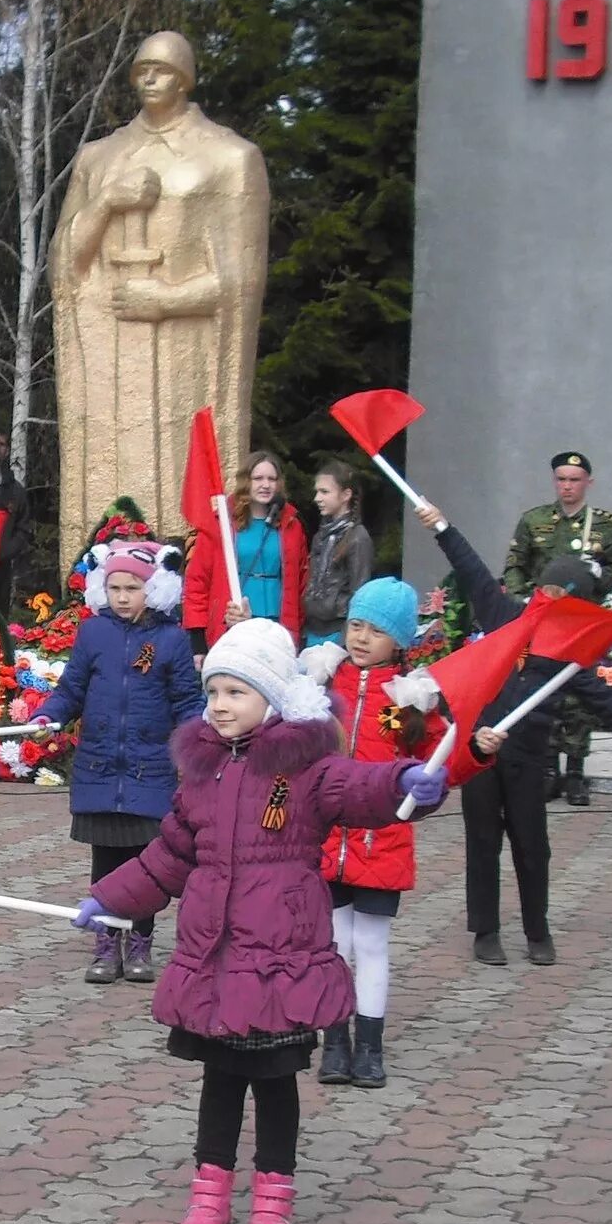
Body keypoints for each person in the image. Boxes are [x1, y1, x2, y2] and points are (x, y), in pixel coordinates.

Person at [74, 618, 450, 1224]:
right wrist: (108, 899)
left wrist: (405, 782)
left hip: (281, 960)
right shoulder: (200, 776)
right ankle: (210, 1192)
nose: (219, 705)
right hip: (216, 961)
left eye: (236, 692)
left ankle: (274, 1197)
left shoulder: (307, 767)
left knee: (276, 1084)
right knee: (219, 1081)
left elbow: (360, 787)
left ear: (273, 698)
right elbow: (168, 856)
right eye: (213, 691)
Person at [417, 502, 612, 966]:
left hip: (529, 757)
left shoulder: (569, 657)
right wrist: (441, 527)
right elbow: (471, 568)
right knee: (482, 839)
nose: (550, 598)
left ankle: (537, 929)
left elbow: (607, 702)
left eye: (564, 595)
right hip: (480, 750)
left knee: (532, 845)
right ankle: (486, 930)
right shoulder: (505, 614)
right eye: (547, 588)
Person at [305, 578, 456, 1090]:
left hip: (381, 842)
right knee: (331, 942)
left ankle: (369, 1044)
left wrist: (457, 758)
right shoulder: (322, 682)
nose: (362, 638)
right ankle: (335, 1038)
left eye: (376, 630)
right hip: (325, 840)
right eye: (356, 625)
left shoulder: (411, 700)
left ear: (400, 640)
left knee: (371, 944)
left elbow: (435, 763)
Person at [30, 541, 201, 987]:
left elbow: (187, 701)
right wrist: (49, 714)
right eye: (114, 587)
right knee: (106, 863)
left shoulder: (171, 639)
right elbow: (71, 688)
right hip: (101, 769)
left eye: (132, 587)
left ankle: (141, 941)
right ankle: (107, 943)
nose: (122, 596)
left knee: (147, 863)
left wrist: (199, 747)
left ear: (154, 588)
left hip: (150, 770)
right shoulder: (94, 633)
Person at [503, 451, 612, 807]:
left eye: (574, 480)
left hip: (580, 621)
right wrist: (523, 601)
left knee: (579, 694)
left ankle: (576, 772)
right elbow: (515, 565)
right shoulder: (535, 521)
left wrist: (598, 577)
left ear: (587, 482)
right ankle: (547, 768)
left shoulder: (604, 524)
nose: (567, 486)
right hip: (544, 621)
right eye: (561, 479)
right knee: (542, 690)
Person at [182, 450, 309, 648]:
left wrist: (299, 631)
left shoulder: (292, 524)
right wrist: (197, 640)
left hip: (278, 626)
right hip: (233, 622)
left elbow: (301, 583)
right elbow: (198, 580)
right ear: (246, 481)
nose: (265, 485)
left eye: (272, 479)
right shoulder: (222, 522)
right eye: (258, 478)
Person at [300, 461, 373, 646]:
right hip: (312, 626)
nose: (317, 498)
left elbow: (360, 590)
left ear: (346, 495)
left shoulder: (357, 537)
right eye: (317, 491)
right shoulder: (321, 535)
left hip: (337, 630)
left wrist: (348, 637)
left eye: (324, 492)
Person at [0, 433, 35, 621]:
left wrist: (6, 550)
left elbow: (23, 527)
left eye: (2, 444)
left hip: (1, 563)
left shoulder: (14, 489)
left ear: (7, 450)